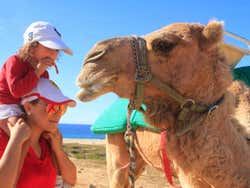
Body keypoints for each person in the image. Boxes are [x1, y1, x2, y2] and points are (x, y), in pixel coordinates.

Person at [0, 78, 77, 188]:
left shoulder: (47, 142)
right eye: (52, 107)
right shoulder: (3, 137)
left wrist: (58, 150)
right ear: (28, 107)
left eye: (62, 108)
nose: (58, 114)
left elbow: (71, 180)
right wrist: (15, 141)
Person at [0, 21, 73, 133]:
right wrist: (38, 70)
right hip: (7, 105)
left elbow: (41, 98)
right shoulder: (15, 61)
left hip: (25, 107)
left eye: (56, 50)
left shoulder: (44, 73)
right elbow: (17, 91)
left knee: (47, 132)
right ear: (32, 46)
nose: (54, 53)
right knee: (19, 133)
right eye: (50, 47)